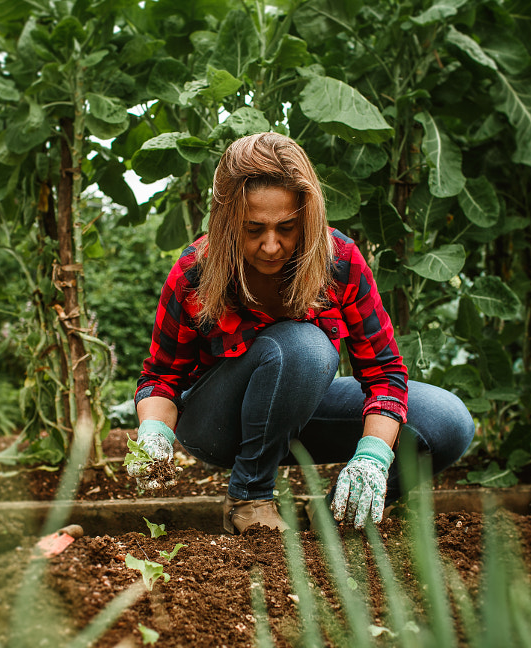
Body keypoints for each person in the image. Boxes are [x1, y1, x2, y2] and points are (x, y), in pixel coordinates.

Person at [128, 132, 474, 533]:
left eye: (286, 228)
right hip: (218, 424)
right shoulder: (195, 273)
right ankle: (250, 498)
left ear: (306, 217)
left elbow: (384, 374)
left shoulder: (339, 262)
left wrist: (373, 458)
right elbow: (161, 378)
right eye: (253, 229)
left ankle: (340, 513)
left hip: (300, 406)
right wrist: (153, 432)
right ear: (226, 224)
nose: (271, 246)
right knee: (306, 348)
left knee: (447, 423)